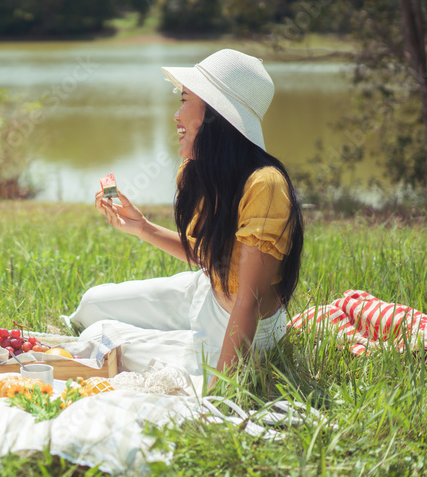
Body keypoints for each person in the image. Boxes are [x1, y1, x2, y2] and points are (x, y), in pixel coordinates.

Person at [68, 49, 304, 387]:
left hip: (236, 325)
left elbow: (248, 302)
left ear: (215, 115)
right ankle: (176, 332)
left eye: (185, 100)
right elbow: (208, 256)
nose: (176, 115)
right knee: (90, 305)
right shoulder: (197, 172)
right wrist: (142, 227)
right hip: (206, 292)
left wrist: (221, 392)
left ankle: (187, 347)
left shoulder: (265, 185)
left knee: (98, 337)